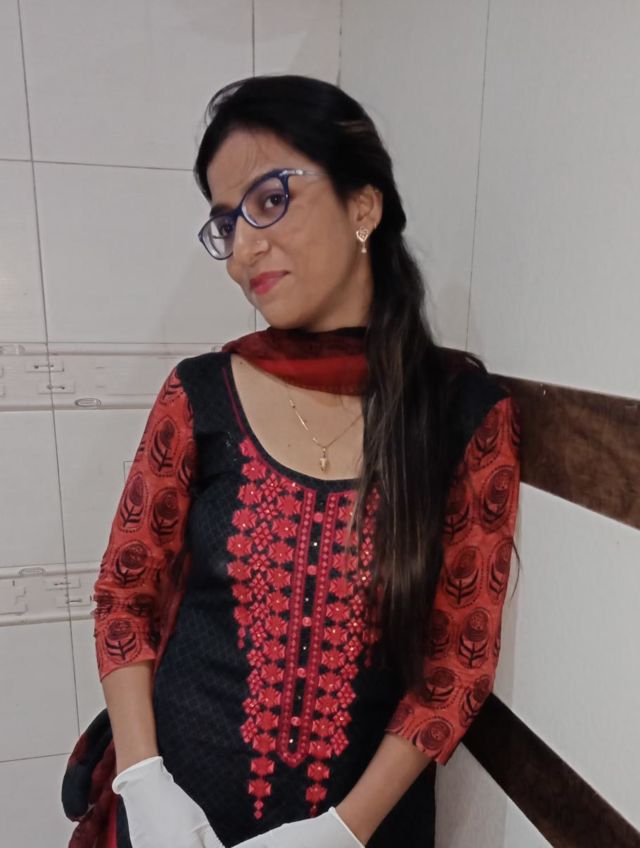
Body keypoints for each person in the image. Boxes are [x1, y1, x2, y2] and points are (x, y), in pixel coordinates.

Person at [71, 74, 521, 848]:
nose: (242, 250)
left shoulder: (463, 416)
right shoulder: (200, 394)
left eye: (270, 200)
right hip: (177, 823)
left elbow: (457, 664)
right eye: (226, 223)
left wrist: (344, 830)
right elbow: (125, 595)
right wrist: (142, 783)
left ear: (363, 207)